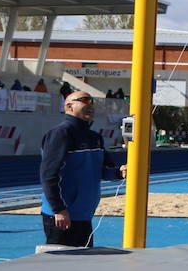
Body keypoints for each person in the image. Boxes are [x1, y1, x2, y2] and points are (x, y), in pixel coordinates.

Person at [39, 92, 126, 247]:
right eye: (85, 100)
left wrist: (119, 172)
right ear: (69, 106)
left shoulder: (94, 137)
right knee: (60, 267)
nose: (90, 105)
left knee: (82, 267)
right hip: (62, 216)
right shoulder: (60, 134)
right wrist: (59, 209)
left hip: (84, 216)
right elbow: (48, 175)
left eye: (92, 102)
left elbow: (104, 170)